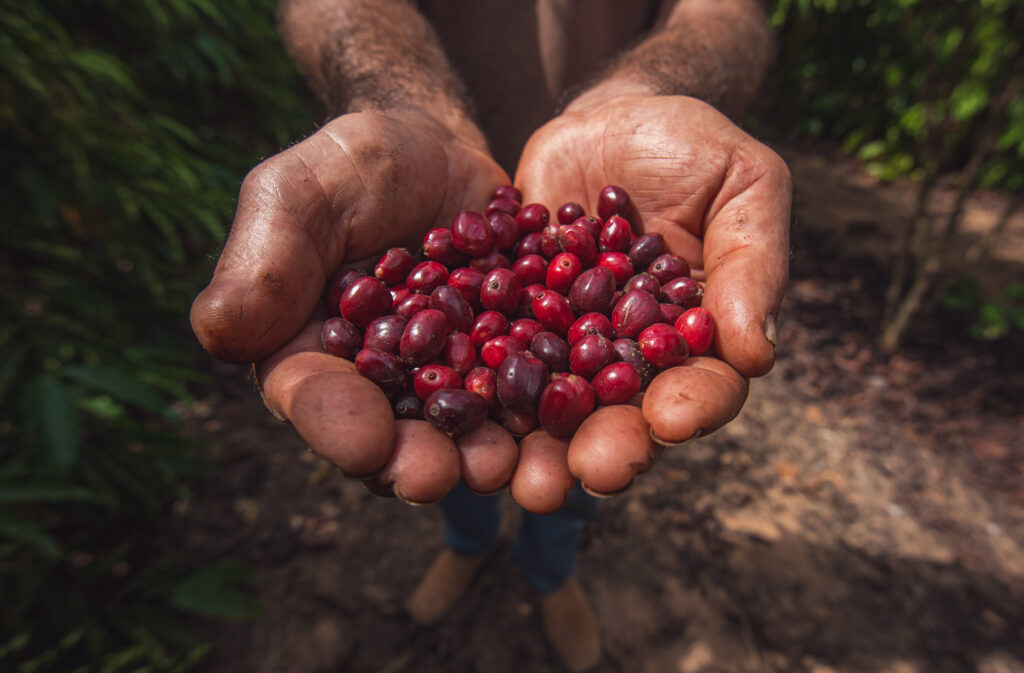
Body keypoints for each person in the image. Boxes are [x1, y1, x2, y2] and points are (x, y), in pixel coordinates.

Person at [190, 1, 791, 670]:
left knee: (577, 467)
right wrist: (402, 103)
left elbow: (729, 11)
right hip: (426, 176)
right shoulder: (460, 288)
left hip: (613, 154)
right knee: (452, 454)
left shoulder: (577, 291)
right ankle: (469, 545)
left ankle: (550, 575)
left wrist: (644, 91)